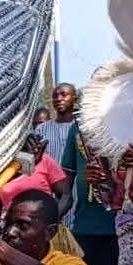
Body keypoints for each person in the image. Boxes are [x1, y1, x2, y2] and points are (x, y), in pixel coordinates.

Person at [61, 119, 119, 265]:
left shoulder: (124, 125)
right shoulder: (79, 128)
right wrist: (54, 216)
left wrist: (109, 178)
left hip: (120, 227)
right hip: (85, 226)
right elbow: (66, 185)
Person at [36, 83, 78, 228]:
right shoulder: (42, 130)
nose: (58, 98)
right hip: (51, 196)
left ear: (74, 98)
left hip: (78, 194)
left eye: (63, 94)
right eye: (55, 96)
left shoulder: (82, 129)